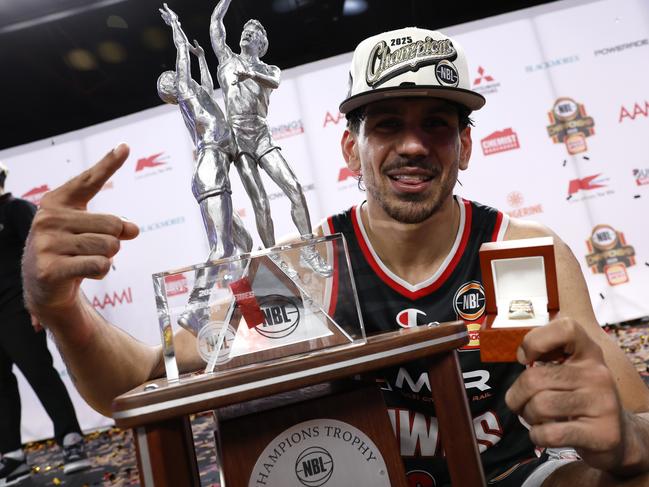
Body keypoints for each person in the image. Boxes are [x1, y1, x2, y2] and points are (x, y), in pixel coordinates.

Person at [20, 27, 649, 486]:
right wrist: (63, 307)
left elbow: (636, 424)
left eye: (435, 123)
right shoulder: (303, 270)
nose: (411, 145)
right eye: (385, 125)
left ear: (465, 146)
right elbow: (140, 380)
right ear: (352, 149)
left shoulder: (517, 249)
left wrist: (624, 441)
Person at [209, 0, 331, 276]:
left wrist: (250, 72)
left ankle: (309, 248)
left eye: (253, 33)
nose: (247, 34)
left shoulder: (269, 69)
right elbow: (216, 25)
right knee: (260, 203)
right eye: (245, 30)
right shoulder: (227, 61)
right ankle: (275, 259)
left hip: (262, 135)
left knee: (295, 188)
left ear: (262, 44)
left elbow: (273, 81)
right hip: (239, 139)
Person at [157, 4, 253, 334]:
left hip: (213, 170)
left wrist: (200, 57)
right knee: (223, 248)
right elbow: (180, 52)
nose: (173, 75)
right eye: (168, 79)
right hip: (210, 168)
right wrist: (176, 26)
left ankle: (250, 313)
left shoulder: (195, 95)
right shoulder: (183, 92)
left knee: (246, 243)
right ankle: (194, 312)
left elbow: (208, 87)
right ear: (169, 91)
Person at [0, 162, 91, 485]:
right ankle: (11, 455)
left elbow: (41, 256)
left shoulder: (17, 209)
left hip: (18, 309)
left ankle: (71, 441)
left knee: (41, 374)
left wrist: (38, 305)